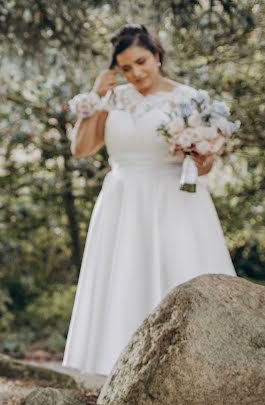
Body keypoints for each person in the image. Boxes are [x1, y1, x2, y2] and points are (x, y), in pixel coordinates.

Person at [61, 24, 236, 376]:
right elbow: (80, 149)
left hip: (173, 199)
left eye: (141, 62)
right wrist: (95, 97)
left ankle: (192, 368)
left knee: (178, 270)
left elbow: (204, 166)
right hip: (122, 199)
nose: (136, 73)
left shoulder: (188, 97)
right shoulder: (112, 99)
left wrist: (201, 153)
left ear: (156, 55)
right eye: (126, 68)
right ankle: (115, 366)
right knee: (122, 277)